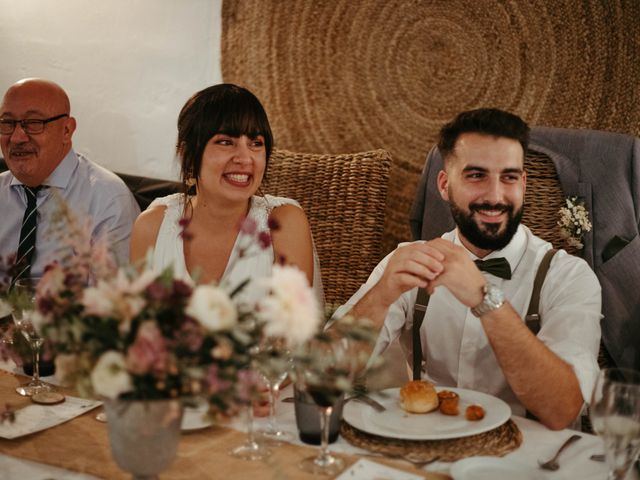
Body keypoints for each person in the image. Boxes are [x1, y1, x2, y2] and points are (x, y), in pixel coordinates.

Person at [333, 108, 601, 430]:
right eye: (476, 175)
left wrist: (484, 298)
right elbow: (322, 375)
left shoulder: (569, 277)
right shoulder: (408, 261)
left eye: (509, 177)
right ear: (445, 185)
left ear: (523, 184)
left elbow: (562, 410)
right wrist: (380, 296)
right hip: (425, 453)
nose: (495, 195)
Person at [129, 83, 323, 304]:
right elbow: (139, 328)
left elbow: (290, 332)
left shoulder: (282, 222)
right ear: (188, 155)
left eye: (255, 143)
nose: (245, 158)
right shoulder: (151, 227)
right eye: (225, 142)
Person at [0, 78, 140, 281]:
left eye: (34, 123)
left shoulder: (107, 199)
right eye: (7, 123)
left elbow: (111, 301)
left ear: (67, 130)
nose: (17, 137)